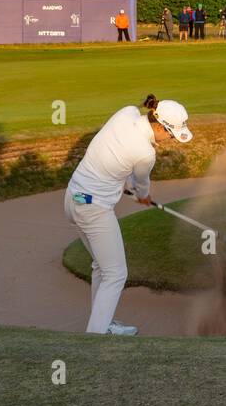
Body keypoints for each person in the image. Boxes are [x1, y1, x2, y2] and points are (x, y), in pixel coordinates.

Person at [63, 94, 193, 335]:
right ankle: (95, 337)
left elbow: (114, 152)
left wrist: (121, 183)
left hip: (74, 198)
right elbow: (141, 186)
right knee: (116, 274)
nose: (171, 140)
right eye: (172, 134)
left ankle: (104, 325)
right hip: (94, 209)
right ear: (161, 127)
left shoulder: (127, 112)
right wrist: (142, 196)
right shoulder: (146, 153)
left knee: (102, 267)